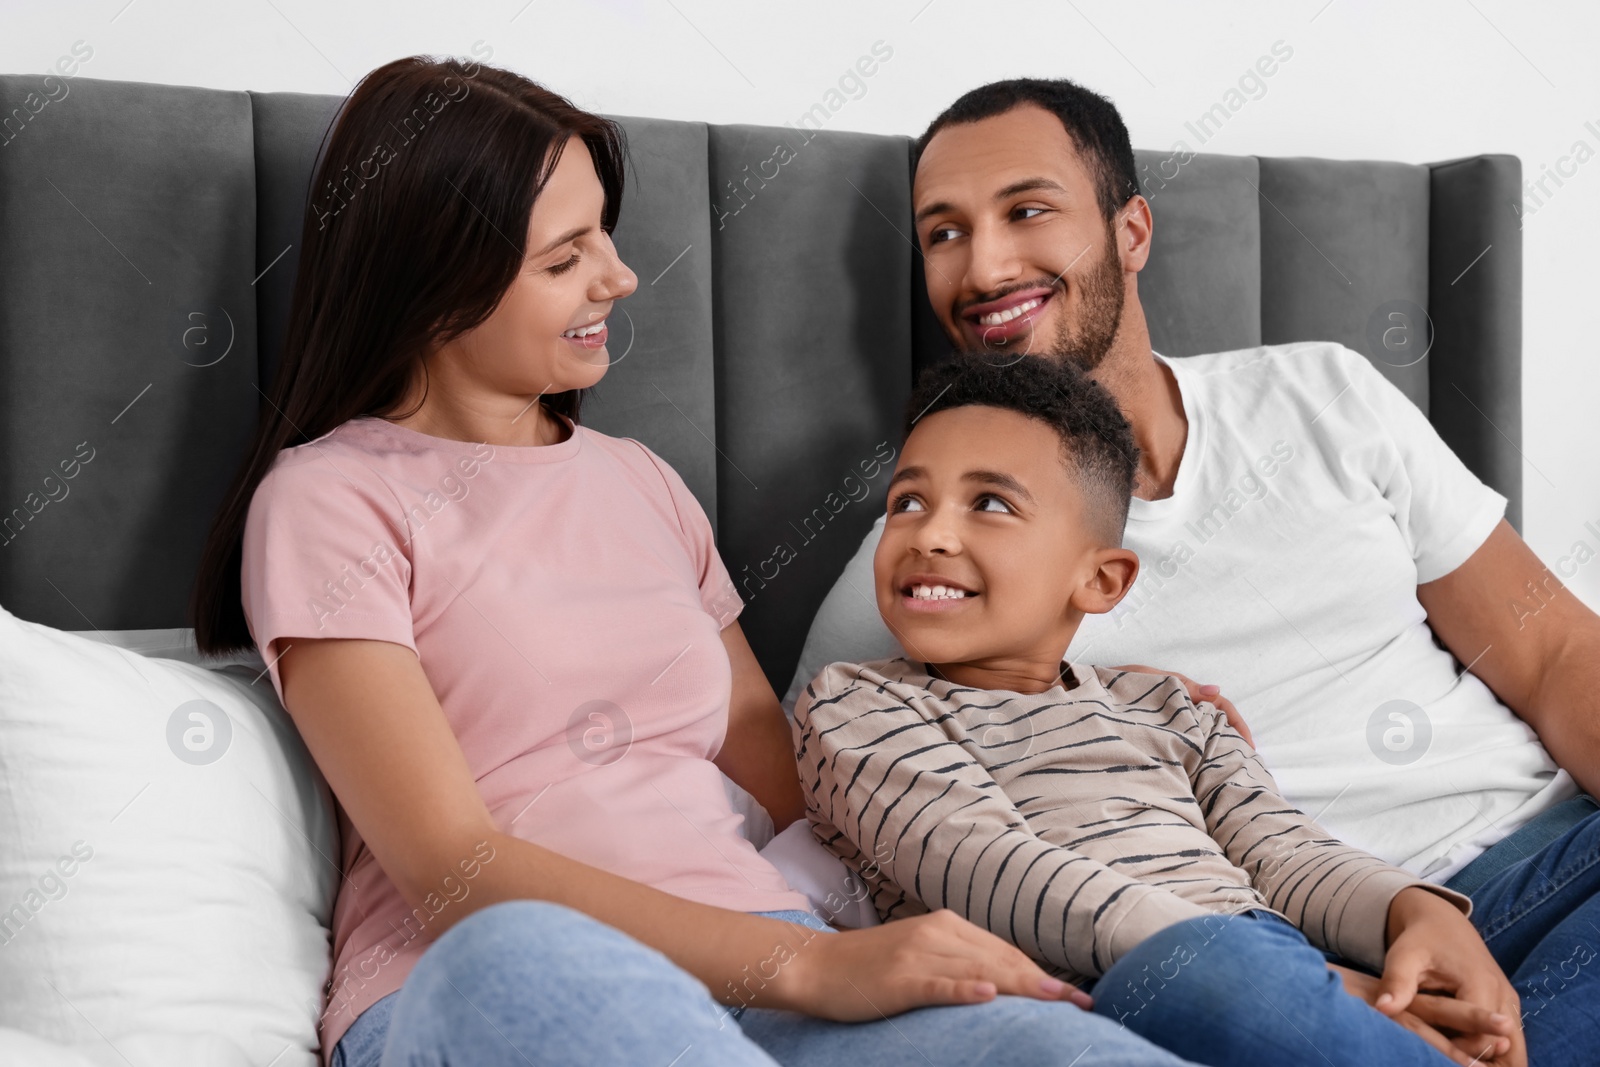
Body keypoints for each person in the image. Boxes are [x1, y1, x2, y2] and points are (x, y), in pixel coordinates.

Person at [189, 57, 1202, 1067]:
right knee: (514, 950)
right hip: (497, 977)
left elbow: (799, 780)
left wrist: (1082, 709)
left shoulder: (641, 482)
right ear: (433, 285)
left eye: (606, 236)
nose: (619, 277)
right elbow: (453, 868)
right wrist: (804, 969)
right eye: (564, 258)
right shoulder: (328, 499)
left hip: (775, 957)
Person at [785, 78, 1600, 1061]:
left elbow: (1553, 646)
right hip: (1288, 949)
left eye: (1027, 211)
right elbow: (853, 831)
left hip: (1546, 854)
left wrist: (1422, 913)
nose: (983, 265)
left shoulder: (1323, 392)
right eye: (942, 232)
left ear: (1130, 232)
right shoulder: (910, 592)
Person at [794, 352, 1550, 1066]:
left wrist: (1416, 913)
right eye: (908, 501)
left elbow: (1282, 852)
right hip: (1124, 988)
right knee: (1203, 972)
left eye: (988, 502)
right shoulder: (857, 704)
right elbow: (992, 868)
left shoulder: (1168, 706)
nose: (931, 532)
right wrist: (1279, 968)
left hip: (1285, 966)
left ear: (1101, 580)